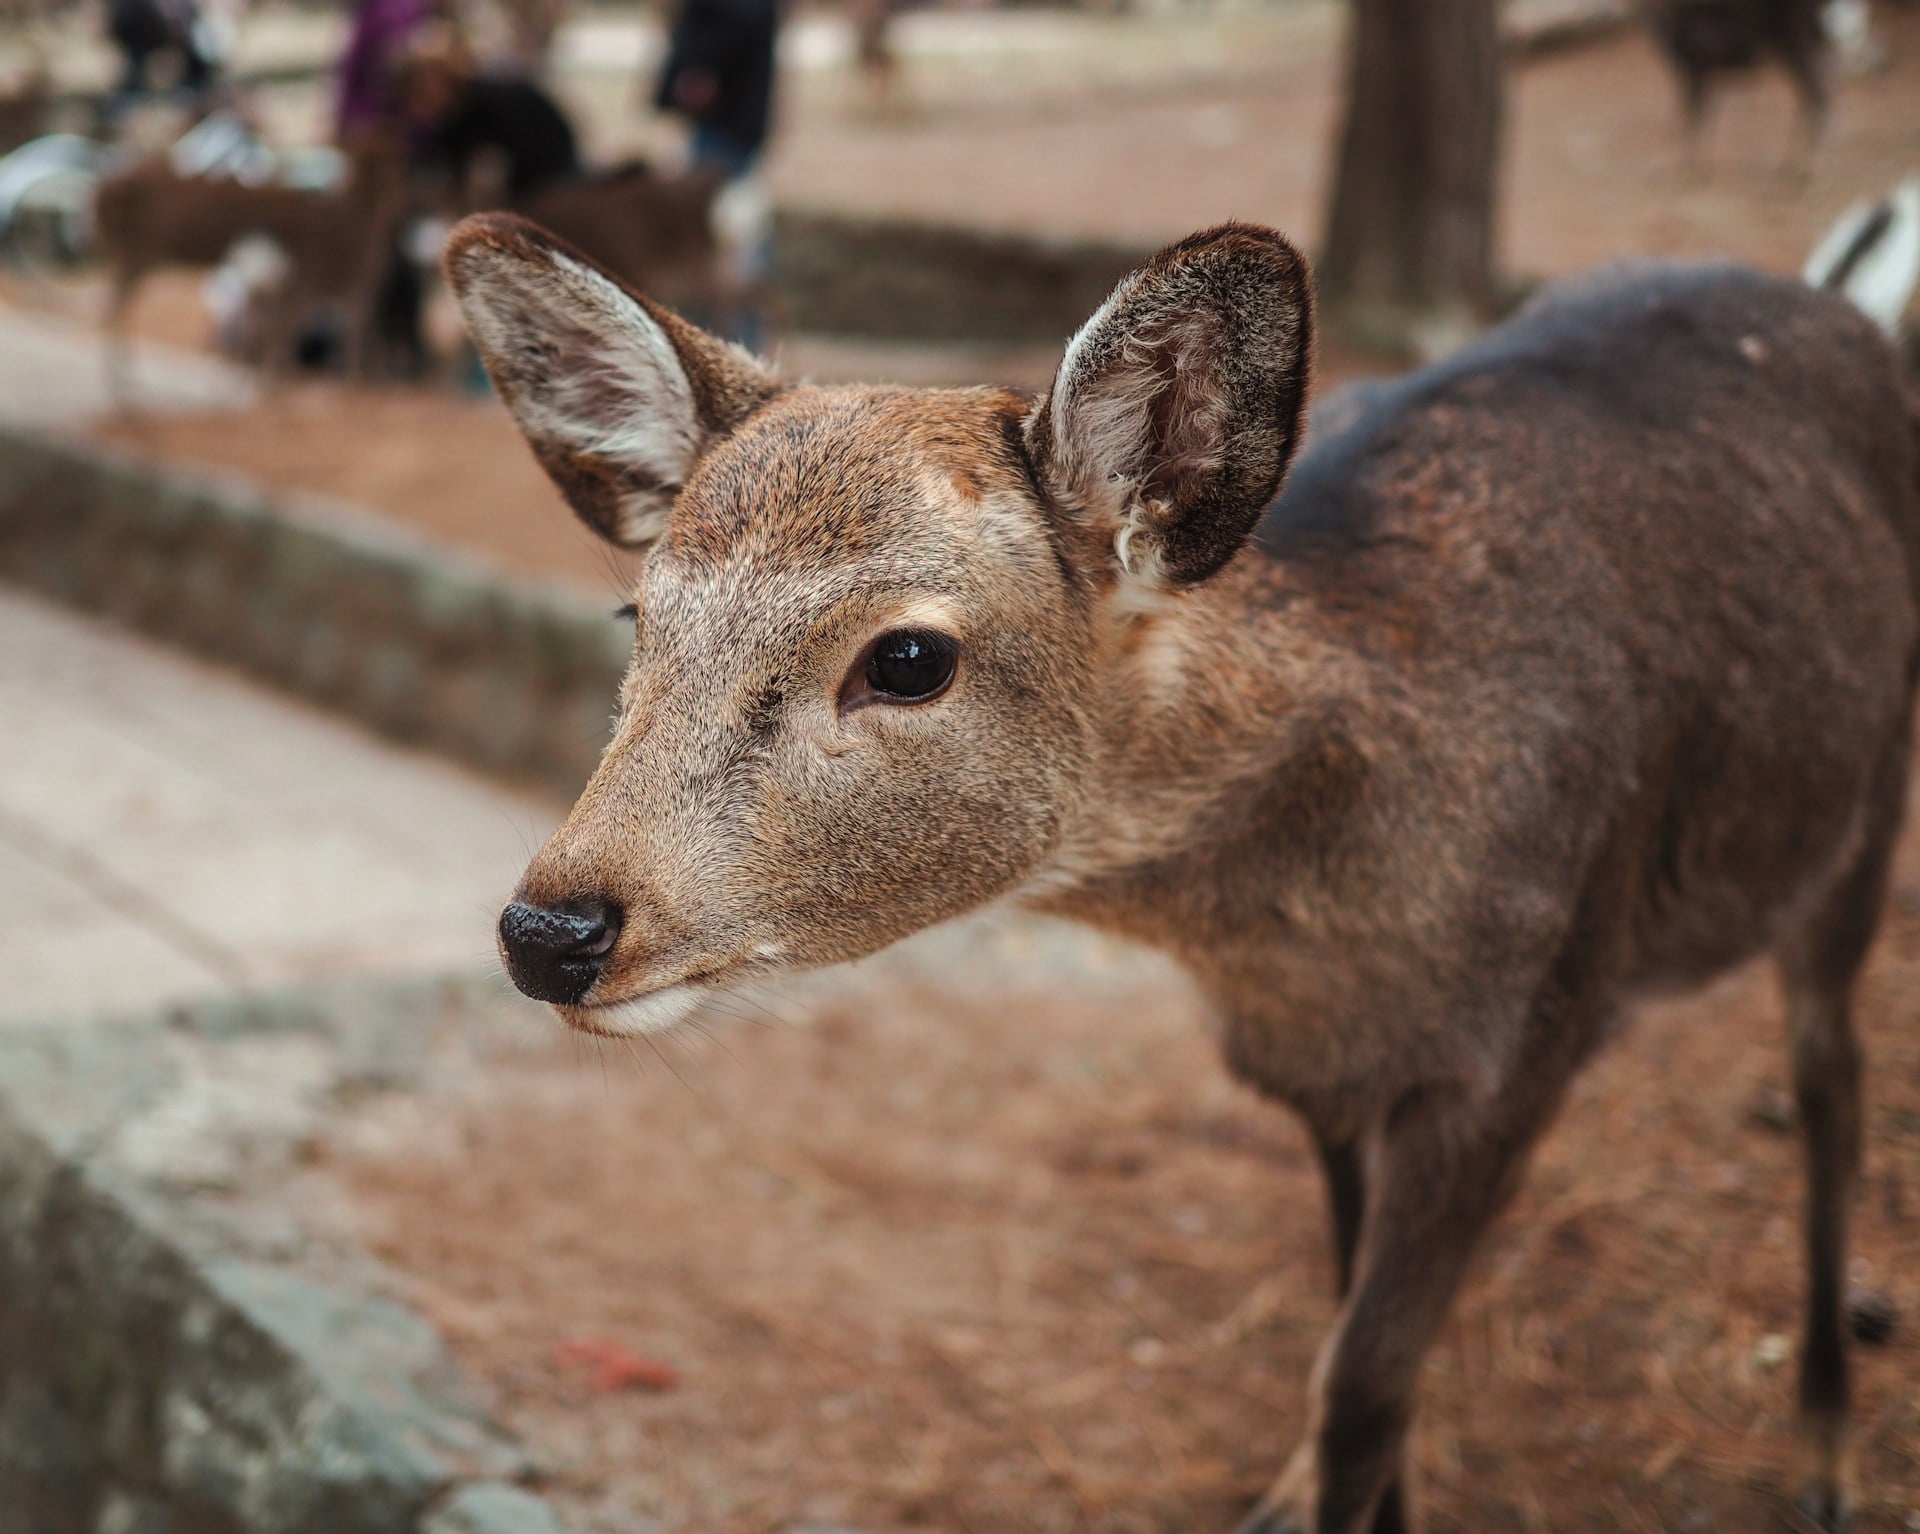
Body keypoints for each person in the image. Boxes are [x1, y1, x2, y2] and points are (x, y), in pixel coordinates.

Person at [654, 0, 780, 345]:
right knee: (732, 231)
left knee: (725, 238)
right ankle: (732, 338)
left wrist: (695, 77)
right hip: (729, 124)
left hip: (724, 127)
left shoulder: (727, 15)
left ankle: (732, 340)